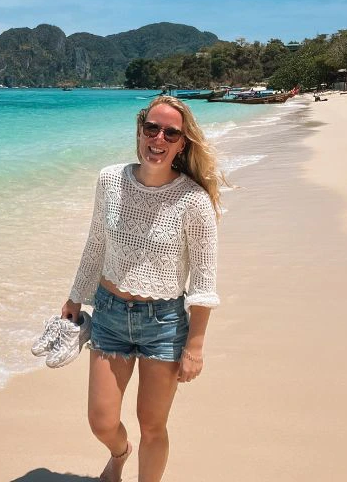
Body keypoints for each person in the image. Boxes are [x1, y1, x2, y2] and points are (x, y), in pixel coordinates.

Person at [61, 95, 222, 482]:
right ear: (140, 130)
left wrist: (195, 346)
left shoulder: (194, 201)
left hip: (163, 325)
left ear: (182, 143)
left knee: (152, 425)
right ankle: (119, 454)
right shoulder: (110, 180)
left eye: (171, 133)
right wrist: (75, 296)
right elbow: (96, 243)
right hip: (109, 314)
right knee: (101, 421)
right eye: (152, 128)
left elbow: (203, 281)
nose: (159, 138)